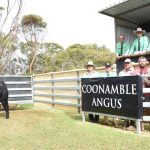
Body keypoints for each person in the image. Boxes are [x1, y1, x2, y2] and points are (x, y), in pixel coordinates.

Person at [133, 56, 150, 131]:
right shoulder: (135, 71)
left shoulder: (148, 70)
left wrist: (144, 79)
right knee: (140, 110)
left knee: (148, 109)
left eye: (143, 61)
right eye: (140, 61)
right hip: (138, 94)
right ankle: (140, 126)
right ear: (138, 62)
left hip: (147, 94)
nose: (142, 62)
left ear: (146, 62)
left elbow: (149, 83)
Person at [119, 58, 134, 130]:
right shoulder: (121, 73)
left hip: (132, 93)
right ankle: (126, 121)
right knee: (125, 108)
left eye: (128, 63)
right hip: (123, 93)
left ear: (131, 64)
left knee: (132, 107)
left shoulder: (134, 71)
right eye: (125, 63)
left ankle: (132, 123)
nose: (126, 64)